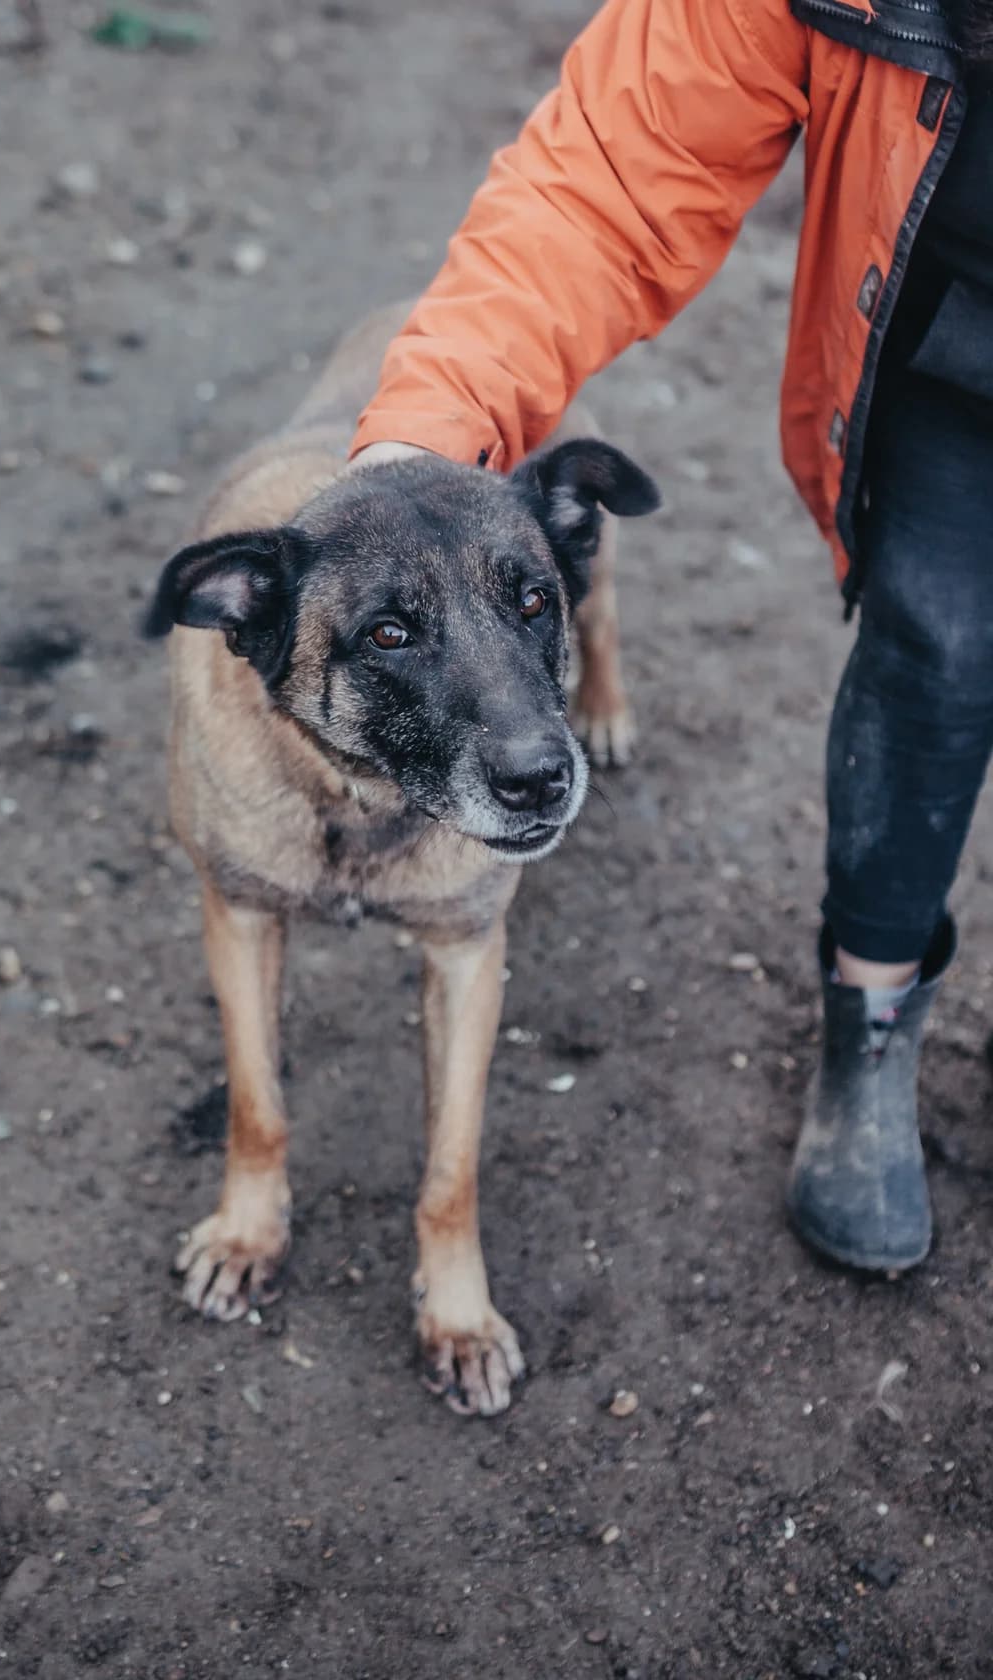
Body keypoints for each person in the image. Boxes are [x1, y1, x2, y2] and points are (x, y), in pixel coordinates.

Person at [348, 0, 993, 1273]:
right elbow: (606, 184)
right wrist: (418, 447)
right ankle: (870, 1025)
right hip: (959, 355)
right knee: (936, 643)